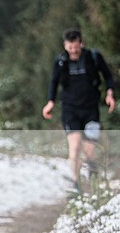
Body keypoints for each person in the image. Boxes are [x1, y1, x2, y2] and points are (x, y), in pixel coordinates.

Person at [42, 28, 115, 193]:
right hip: (70, 111)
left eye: (76, 47)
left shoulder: (94, 58)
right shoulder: (60, 61)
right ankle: (75, 183)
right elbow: (53, 82)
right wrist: (50, 102)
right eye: (70, 47)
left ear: (81, 44)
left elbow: (108, 76)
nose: (73, 51)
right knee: (74, 148)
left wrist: (109, 94)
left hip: (91, 111)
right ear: (65, 46)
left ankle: (94, 181)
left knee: (90, 150)